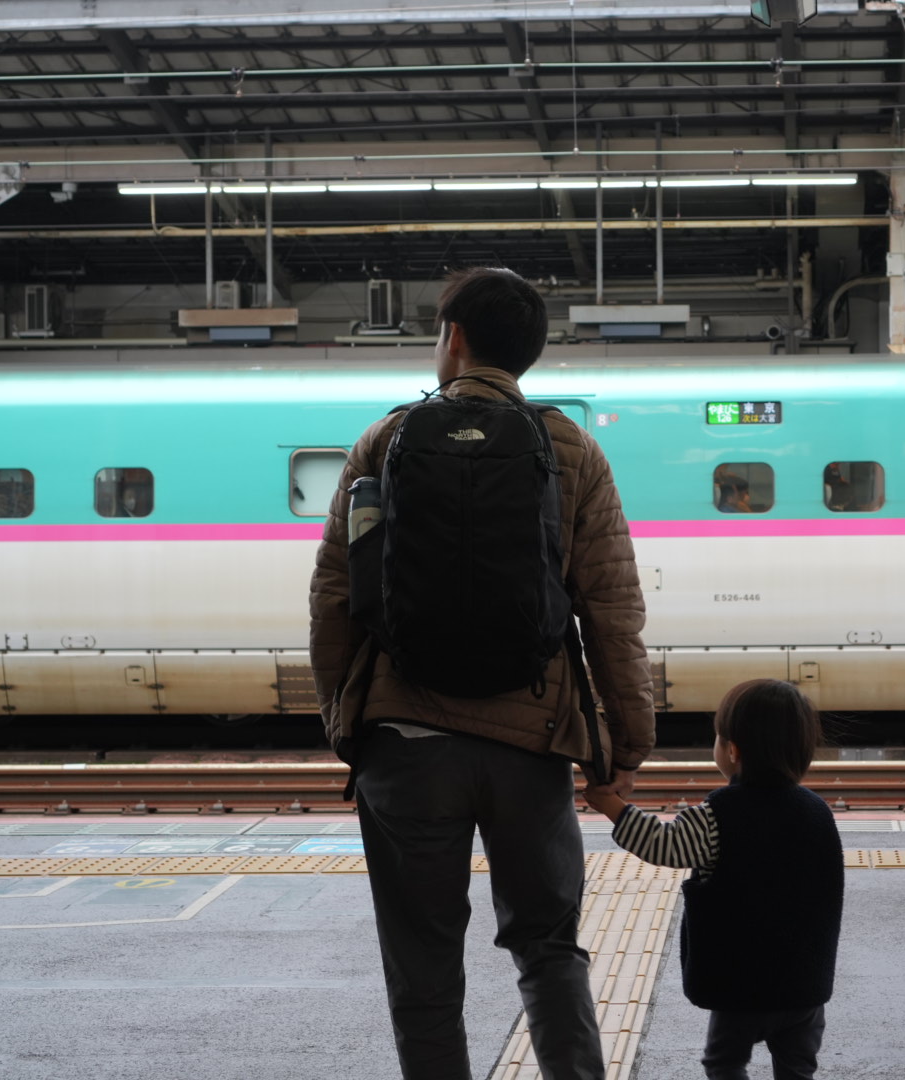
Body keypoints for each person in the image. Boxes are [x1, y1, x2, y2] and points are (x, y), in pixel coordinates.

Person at [309, 267, 656, 1080]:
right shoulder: (570, 449)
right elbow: (612, 608)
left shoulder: (385, 441)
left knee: (424, 967)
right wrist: (626, 745)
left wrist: (347, 723)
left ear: (454, 338)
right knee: (549, 947)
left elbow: (334, 597)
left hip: (404, 742)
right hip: (531, 742)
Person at [583, 679, 843, 1080]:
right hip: (804, 988)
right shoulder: (817, 812)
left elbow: (663, 845)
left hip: (740, 989)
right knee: (798, 1069)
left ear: (732, 750)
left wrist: (612, 806)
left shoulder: (718, 814)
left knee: (725, 1064)